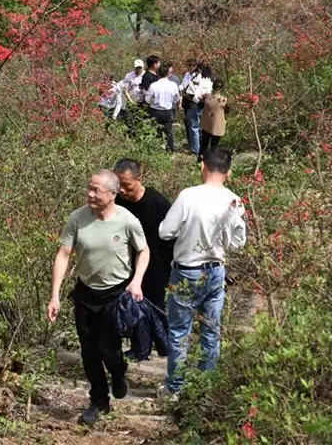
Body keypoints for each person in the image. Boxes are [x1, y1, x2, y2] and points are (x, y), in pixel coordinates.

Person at [48, 170, 150, 425]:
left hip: (116, 295)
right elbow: (63, 254)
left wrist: (136, 281)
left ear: (113, 194)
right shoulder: (77, 218)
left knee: (109, 349)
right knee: (89, 352)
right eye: (89, 189)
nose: (90, 194)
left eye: (96, 190)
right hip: (85, 293)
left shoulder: (127, 220)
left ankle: (118, 372)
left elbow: (144, 251)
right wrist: (55, 295)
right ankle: (99, 401)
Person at [158, 148, 246, 396]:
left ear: (202, 166)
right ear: (228, 172)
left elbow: (165, 231)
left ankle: (175, 388)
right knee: (211, 330)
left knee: (179, 332)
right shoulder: (234, 200)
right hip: (216, 271)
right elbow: (238, 242)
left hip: (186, 271)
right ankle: (204, 388)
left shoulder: (189, 196)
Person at [113, 158, 173, 358]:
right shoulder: (118, 202)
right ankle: (141, 348)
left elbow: (173, 234)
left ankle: (165, 347)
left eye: (127, 186)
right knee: (133, 305)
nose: (122, 190)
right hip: (128, 263)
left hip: (158, 263)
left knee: (155, 305)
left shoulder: (157, 202)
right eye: (118, 185)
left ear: (140, 179)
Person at [144, 63, 180, 152]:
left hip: (155, 110)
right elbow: (176, 98)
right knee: (169, 132)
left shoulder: (154, 85)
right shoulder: (173, 85)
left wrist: (154, 102)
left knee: (156, 131)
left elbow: (147, 99)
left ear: (158, 73)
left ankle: (158, 149)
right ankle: (170, 150)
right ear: (168, 73)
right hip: (168, 111)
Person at [181, 62, 213, 156]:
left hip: (196, 103)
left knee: (194, 126)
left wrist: (195, 98)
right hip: (204, 104)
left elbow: (197, 94)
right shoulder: (210, 79)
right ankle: (202, 148)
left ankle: (196, 149)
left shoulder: (202, 79)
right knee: (201, 126)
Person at [198, 77, 227, 163]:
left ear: (212, 86)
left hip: (206, 125)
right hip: (217, 126)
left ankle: (200, 162)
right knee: (214, 146)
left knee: (204, 144)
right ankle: (211, 164)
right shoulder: (223, 100)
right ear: (221, 88)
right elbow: (228, 110)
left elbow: (200, 105)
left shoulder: (206, 97)